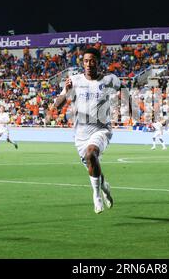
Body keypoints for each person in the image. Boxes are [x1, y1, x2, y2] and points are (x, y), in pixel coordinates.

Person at [54, 47, 120, 214]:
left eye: (92, 60)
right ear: (82, 63)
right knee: (93, 166)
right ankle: (104, 187)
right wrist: (67, 92)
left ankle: (96, 196)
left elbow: (124, 92)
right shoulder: (74, 81)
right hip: (81, 135)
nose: (89, 64)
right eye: (85, 61)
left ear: (97, 62)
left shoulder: (108, 81)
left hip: (101, 130)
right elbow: (57, 105)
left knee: (91, 154)